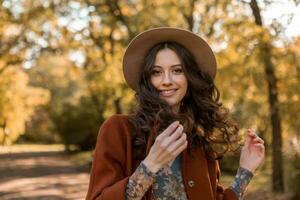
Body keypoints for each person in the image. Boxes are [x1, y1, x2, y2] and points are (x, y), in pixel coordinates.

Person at [86, 27, 265, 200]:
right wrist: (150, 165)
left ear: (189, 78)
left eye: (177, 70)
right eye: (156, 72)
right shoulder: (118, 129)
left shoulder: (198, 140)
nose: (166, 81)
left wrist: (245, 172)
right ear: (147, 79)